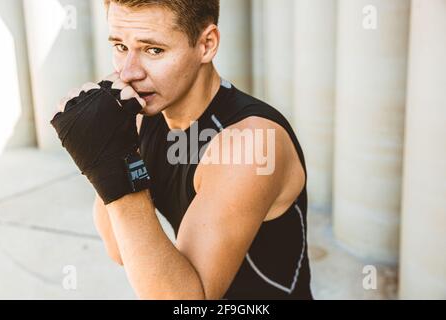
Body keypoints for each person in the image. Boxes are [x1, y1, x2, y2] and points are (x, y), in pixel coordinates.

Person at [51, 0, 312, 300]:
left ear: (206, 45)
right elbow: (119, 249)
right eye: (121, 46)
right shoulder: (144, 117)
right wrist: (104, 147)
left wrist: (111, 165)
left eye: (154, 50)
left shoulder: (250, 143)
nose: (128, 73)